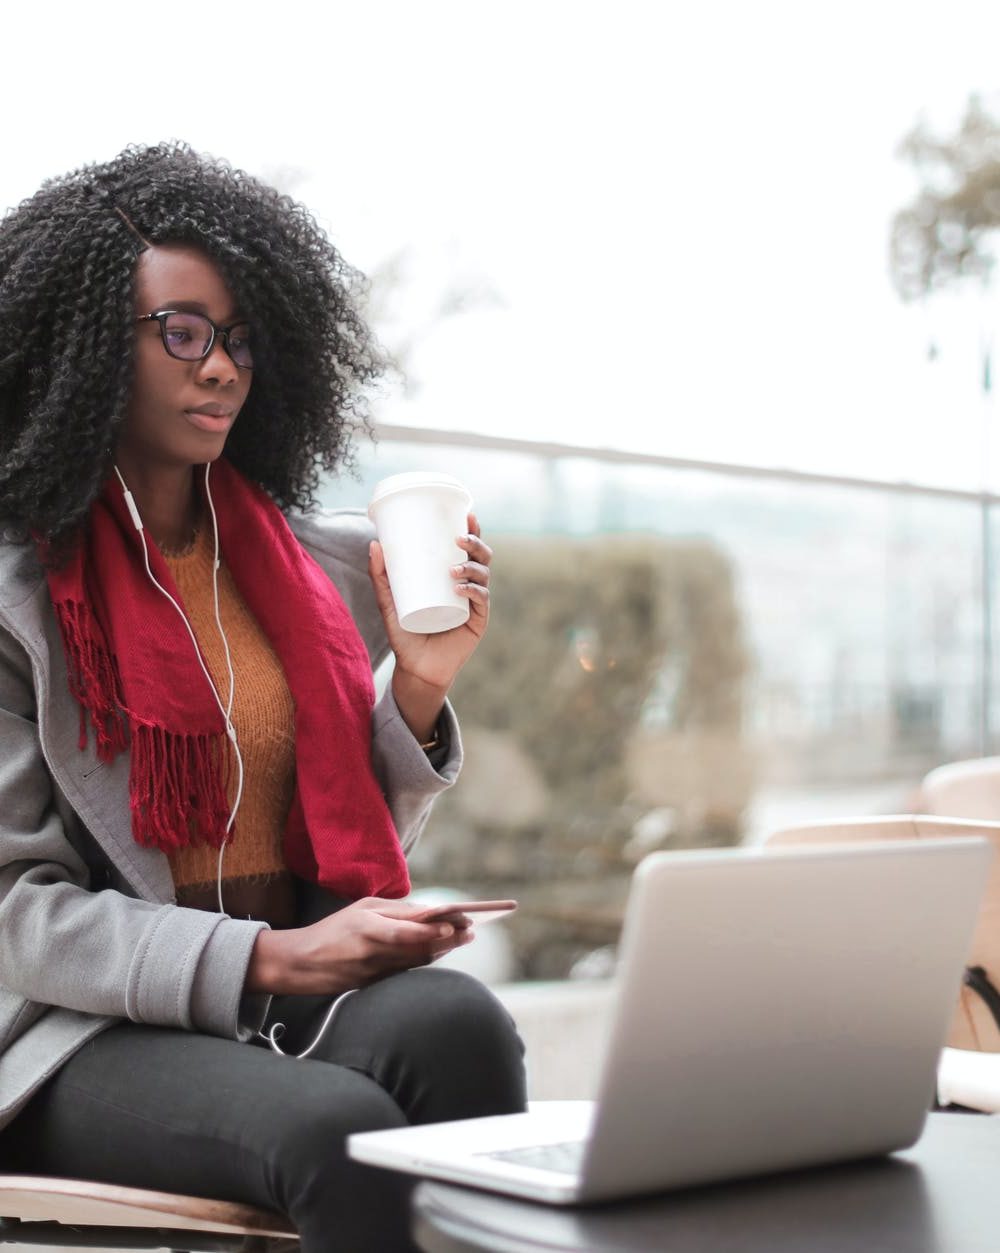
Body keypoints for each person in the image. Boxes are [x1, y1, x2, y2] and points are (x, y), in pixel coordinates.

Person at [0, 143, 526, 1252]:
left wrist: (421, 682)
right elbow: (17, 918)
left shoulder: (306, 565)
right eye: (182, 332)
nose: (221, 366)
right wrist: (275, 959)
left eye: (239, 337)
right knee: (337, 1126)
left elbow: (342, 827)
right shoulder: (16, 596)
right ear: (86, 342)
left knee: (458, 1023)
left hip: (271, 981)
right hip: (67, 1027)